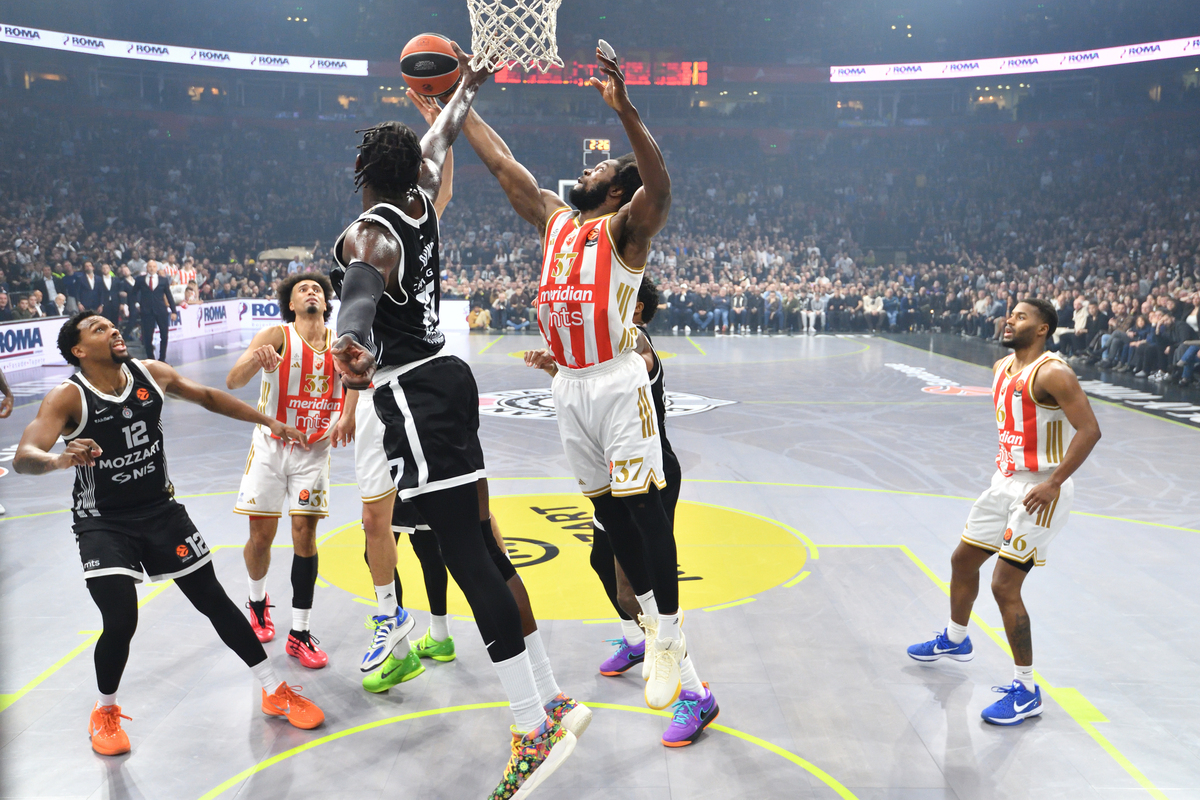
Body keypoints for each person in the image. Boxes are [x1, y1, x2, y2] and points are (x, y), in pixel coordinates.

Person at [327, 45, 580, 799]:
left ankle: (531, 727)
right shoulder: (419, 195)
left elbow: (357, 305)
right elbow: (441, 136)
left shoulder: (369, 231)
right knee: (485, 546)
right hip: (450, 383)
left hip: (412, 395)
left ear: (363, 176)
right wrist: (465, 84)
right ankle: (549, 696)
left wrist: (348, 350)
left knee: (467, 559)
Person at [465, 41, 707, 722]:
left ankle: (669, 633)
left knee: (641, 508)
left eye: (600, 166)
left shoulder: (627, 231)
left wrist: (626, 110)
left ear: (618, 193)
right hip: (570, 386)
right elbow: (503, 166)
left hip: (615, 381)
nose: (587, 167)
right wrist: (459, 102)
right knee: (606, 514)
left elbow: (661, 188)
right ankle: (655, 630)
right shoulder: (557, 222)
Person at [13, 311, 324, 757]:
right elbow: (25, 455)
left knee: (214, 600)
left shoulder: (150, 373)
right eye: (98, 329)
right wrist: (59, 460)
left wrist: (270, 422)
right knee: (121, 619)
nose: (114, 329)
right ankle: (104, 711)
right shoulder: (68, 398)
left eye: (112, 324)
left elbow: (209, 397)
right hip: (103, 521)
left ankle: (274, 690)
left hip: (160, 511)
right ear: (79, 351)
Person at [527, 275, 718, 747]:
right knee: (601, 561)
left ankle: (693, 691)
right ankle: (641, 641)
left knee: (639, 580)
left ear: (634, 311)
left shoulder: (638, 351)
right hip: (616, 469)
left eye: (619, 300)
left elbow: (631, 368)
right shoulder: (607, 352)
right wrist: (561, 370)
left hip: (650, 470)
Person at [907, 298, 1102, 726]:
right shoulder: (1000, 368)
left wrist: (1052, 483)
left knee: (1004, 585)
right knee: (963, 560)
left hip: (1042, 489)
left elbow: (1090, 430)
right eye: (1010, 314)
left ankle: (1027, 689)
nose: (1010, 320)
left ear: (1042, 329)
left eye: (1021, 316)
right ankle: (957, 639)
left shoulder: (1054, 372)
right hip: (1005, 482)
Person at [225, 273, 342, 669]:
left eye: (317, 290)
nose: (311, 292)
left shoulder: (342, 340)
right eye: (301, 290)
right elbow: (233, 379)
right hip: (271, 447)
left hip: (314, 450)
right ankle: (257, 604)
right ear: (290, 305)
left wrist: (349, 419)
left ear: (326, 302)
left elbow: (361, 384)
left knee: (304, 534)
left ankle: (301, 633)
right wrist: (256, 361)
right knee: (261, 537)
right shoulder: (275, 336)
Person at [135, 260, 177, 361]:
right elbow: (133, 293)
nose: (152, 268)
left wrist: (174, 311)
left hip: (161, 310)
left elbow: (169, 296)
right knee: (147, 337)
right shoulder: (140, 280)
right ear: (147, 268)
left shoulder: (163, 280)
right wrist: (136, 304)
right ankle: (150, 358)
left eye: (154, 266)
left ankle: (162, 359)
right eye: (150, 266)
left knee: (164, 335)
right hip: (146, 312)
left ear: (157, 268)